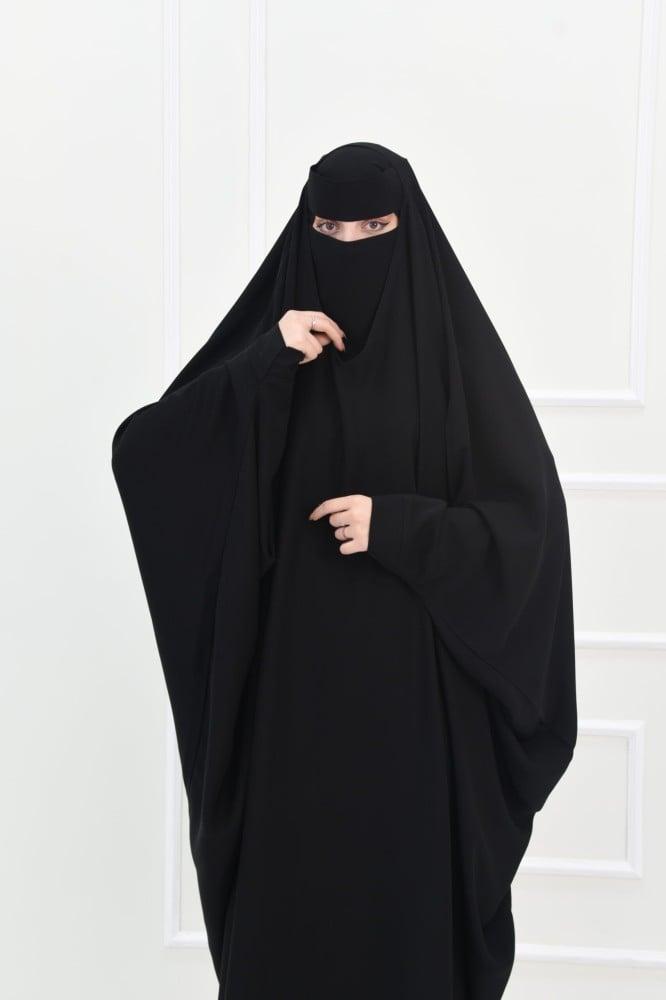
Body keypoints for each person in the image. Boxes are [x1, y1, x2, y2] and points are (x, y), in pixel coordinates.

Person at [111, 141, 577, 1000]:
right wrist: (267, 359)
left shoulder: (453, 360)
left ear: (409, 230)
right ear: (305, 229)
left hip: (415, 719)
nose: (350, 246)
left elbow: (529, 533)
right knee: (292, 923)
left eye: (374, 228)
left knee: (401, 924)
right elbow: (145, 455)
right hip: (291, 715)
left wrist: (400, 526)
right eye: (328, 228)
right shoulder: (276, 348)